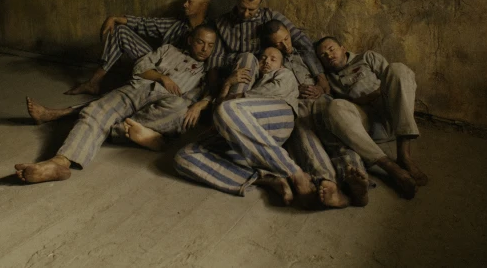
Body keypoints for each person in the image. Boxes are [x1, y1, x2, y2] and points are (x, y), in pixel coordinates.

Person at [14, 25, 217, 184]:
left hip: (167, 104)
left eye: (210, 45)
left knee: (179, 109)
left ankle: (137, 133)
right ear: (190, 40)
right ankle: (59, 162)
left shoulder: (208, 72)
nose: (204, 49)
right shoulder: (168, 50)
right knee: (96, 111)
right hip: (138, 89)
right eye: (200, 42)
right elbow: (140, 67)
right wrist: (162, 77)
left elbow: (211, 94)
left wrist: (200, 104)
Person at [174, 47, 317, 207]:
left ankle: (294, 172)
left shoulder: (284, 74)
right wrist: (228, 84)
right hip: (244, 138)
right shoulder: (249, 82)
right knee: (184, 157)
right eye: (263, 58)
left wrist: (237, 97)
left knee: (227, 109)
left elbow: (275, 91)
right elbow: (219, 112)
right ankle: (267, 178)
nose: (266, 62)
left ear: (281, 65)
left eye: (273, 59)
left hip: (277, 117)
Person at [261, 20, 369, 208]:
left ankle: (356, 181)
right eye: (279, 44)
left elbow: (325, 80)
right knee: (306, 139)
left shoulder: (306, 53)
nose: (285, 45)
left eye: (286, 39)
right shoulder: (272, 60)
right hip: (297, 107)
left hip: (320, 101)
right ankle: (328, 183)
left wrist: (320, 87)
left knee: (335, 136)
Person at [314, 36, 428, 199]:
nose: (329, 55)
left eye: (331, 49)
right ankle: (391, 167)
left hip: (392, 115)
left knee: (398, 69)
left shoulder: (367, 58)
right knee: (334, 107)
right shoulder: (328, 79)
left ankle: (404, 155)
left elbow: (393, 81)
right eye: (323, 55)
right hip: (366, 127)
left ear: (343, 48)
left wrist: (372, 95)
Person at [65, 0, 210, 95]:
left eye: (190, 2)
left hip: (181, 77)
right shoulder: (177, 24)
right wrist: (114, 18)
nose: (185, 5)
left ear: (202, 7)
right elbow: (146, 23)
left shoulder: (210, 34)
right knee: (120, 31)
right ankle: (93, 83)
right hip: (157, 64)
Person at [208, 0, 329, 100]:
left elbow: (303, 42)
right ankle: (233, 104)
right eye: (242, 8)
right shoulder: (221, 24)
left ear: (260, 3)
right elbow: (215, 59)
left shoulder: (270, 16)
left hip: (267, 75)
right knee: (247, 58)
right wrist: (213, 90)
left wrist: (321, 77)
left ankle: (236, 104)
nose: (245, 14)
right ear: (237, 0)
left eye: (251, 10)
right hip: (234, 73)